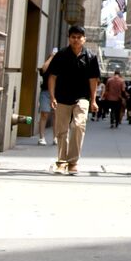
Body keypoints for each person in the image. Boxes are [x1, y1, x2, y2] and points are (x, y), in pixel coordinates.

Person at [46, 25, 100, 176]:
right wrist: (52, 97)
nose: (76, 40)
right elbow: (52, 77)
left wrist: (94, 100)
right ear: (69, 38)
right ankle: (62, 162)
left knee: (78, 125)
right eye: (73, 37)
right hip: (62, 97)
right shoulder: (61, 55)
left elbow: (93, 80)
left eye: (79, 37)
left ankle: (73, 162)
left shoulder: (91, 57)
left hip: (82, 98)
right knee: (61, 130)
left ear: (84, 39)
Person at [36, 50, 56, 146]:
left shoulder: (59, 67)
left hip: (57, 94)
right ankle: (41, 137)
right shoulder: (47, 67)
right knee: (44, 114)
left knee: (56, 116)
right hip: (45, 92)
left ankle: (55, 137)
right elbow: (43, 69)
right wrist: (51, 57)